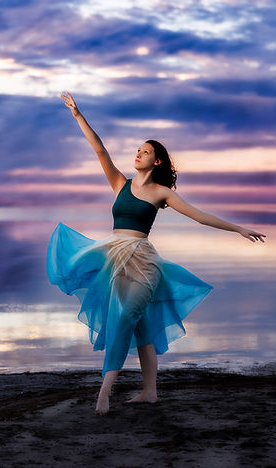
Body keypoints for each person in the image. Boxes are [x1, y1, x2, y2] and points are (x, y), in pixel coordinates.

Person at [46, 91, 266, 416]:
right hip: (114, 260)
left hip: (143, 264)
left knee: (123, 320)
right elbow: (99, 149)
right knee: (140, 326)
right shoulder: (120, 183)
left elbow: (199, 215)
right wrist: (78, 115)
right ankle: (150, 392)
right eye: (137, 150)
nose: (138, 154)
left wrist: (238, 229)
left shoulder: (162, 193)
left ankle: (104, 393)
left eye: (145, 152)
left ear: (156, 160)